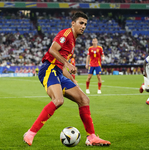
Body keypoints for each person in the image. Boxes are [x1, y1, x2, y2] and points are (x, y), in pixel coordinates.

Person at [23, 11, 111, 147]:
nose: (83, 26)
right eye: (81, 23)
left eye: (85, 24)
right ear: (73, 23)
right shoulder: (66, 34)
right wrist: (68, 63)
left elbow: (63, 67)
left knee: (84, 99)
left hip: (58, 71)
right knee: (58, 100)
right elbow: (52, 50)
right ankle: (30, 133)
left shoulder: (72, 41)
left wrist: (73, 80)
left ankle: (92, 137)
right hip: (49, 69)